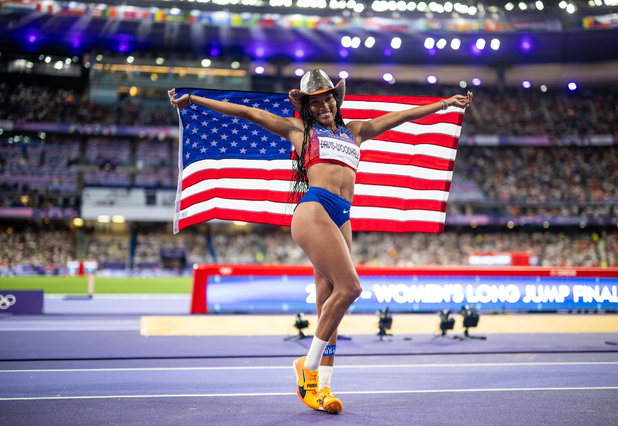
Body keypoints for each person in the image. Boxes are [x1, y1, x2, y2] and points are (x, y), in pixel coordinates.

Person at [170, 69, 472, 413]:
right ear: (308, 108)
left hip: (343, 216)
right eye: (316, 102)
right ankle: (307, 369)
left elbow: (400, 117)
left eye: (328, 98)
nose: (324, 105)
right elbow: (246, 113)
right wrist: (193, 99)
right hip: (314, 209)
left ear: (336, 100)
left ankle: (321, 390)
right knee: (351, 288)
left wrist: (446, 103)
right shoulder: (299, 131)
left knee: (330, 306)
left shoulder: (355, 132)